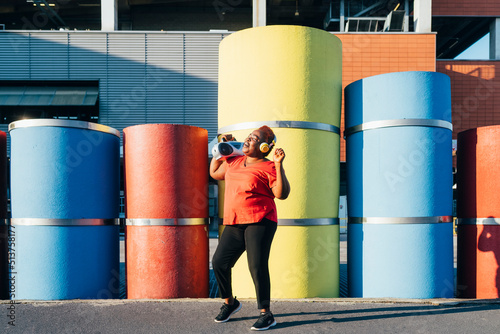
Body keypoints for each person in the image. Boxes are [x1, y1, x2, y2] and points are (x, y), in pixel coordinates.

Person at [210, 125, 290, 331]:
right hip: (236, 221)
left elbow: (281, 194)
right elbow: (214, 173)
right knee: (219, 262)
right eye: (248, 136)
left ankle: (266, 313)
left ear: (264, 147)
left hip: (261, 220)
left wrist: (279, 165)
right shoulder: (234, 161)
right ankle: (230, 303)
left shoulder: (270, 166)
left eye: (253, 138)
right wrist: (223, 147)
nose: (247, 140)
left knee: (256, 266)